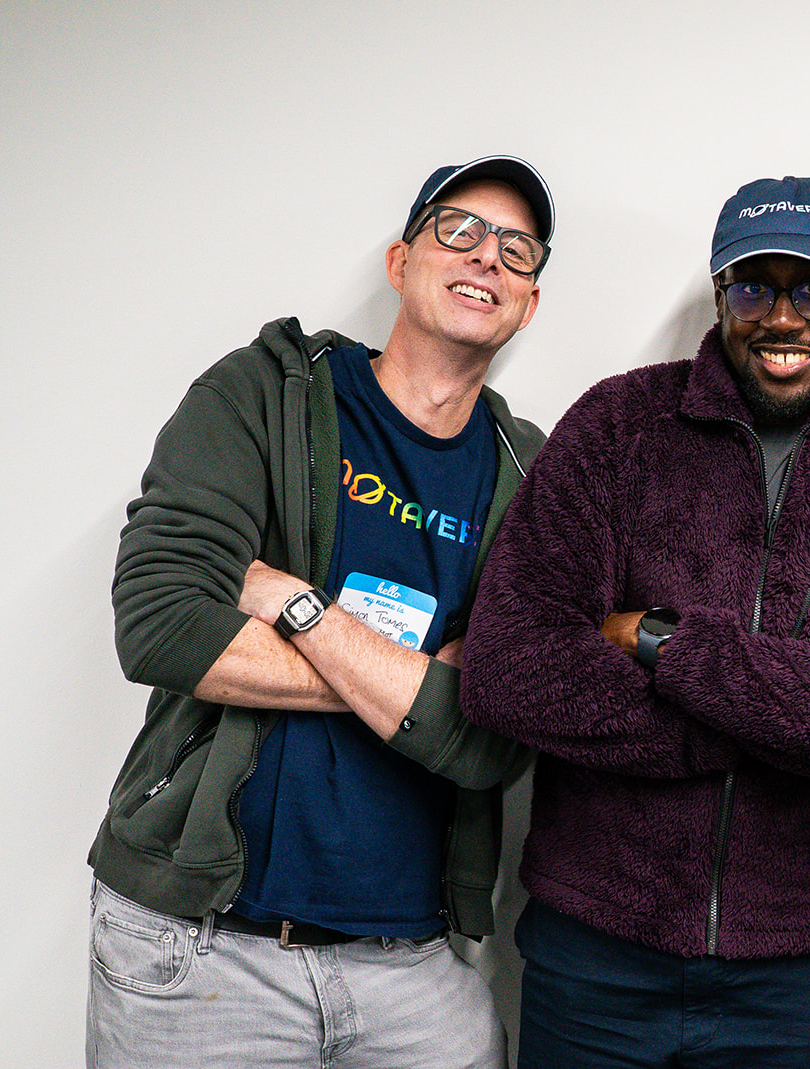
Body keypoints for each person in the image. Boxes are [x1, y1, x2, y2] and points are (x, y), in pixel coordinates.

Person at [458, 175, 810, 1067]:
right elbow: (509, 666)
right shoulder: (617, 425)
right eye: (753, 287)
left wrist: (664, 641)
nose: (783, 318)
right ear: (719, 294)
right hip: (594, 961)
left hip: (799, 981)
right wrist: (787, 723)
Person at [87, 156, 556, 1069]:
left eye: (517, 249)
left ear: (529, 303)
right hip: (198, 950)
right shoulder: (262, 395)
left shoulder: (532, 477)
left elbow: (494, 734)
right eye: (458, 229)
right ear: (401, 261)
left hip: (421, 966)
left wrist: (295, 606)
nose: (486, 257)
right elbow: (160, 623)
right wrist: (422, 682)